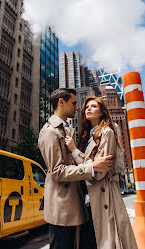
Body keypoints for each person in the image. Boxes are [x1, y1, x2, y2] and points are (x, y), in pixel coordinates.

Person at [38, 88, 113, 249]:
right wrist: (92, 167)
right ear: (61, 102)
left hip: (74, 205)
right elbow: (57, 171)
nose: (77, 107)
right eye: (73, 103)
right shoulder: (49, 132)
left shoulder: (67, 130)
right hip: (62, 208)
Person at [65, 96, 137, 249]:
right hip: (86, 199)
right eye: (87, 107)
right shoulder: (86, 136)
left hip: (103, 198)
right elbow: (92, 166)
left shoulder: (107, 133)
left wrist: (73, 150)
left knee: (103, 242)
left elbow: (99, 173)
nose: (88, 109)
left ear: (102, 112)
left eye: (93, 106)